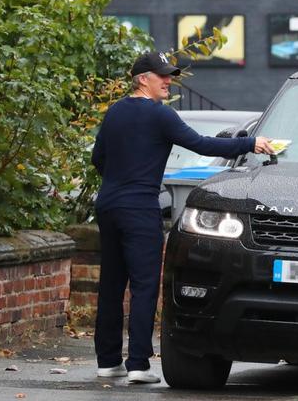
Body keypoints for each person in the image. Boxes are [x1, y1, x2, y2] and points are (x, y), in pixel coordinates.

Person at [91, 51, 274, 383]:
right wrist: (251, 143)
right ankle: (138, 365)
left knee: (112, 283)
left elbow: (97, 157)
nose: (168, 81)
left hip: (109, 204)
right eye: (162, 76)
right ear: (142, 78)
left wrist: (119, 181)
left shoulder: (115, 112)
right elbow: (201, 144)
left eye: (170, 75)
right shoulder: (160, 115)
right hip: (139, 207)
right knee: (145, 285)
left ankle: (106, 361)